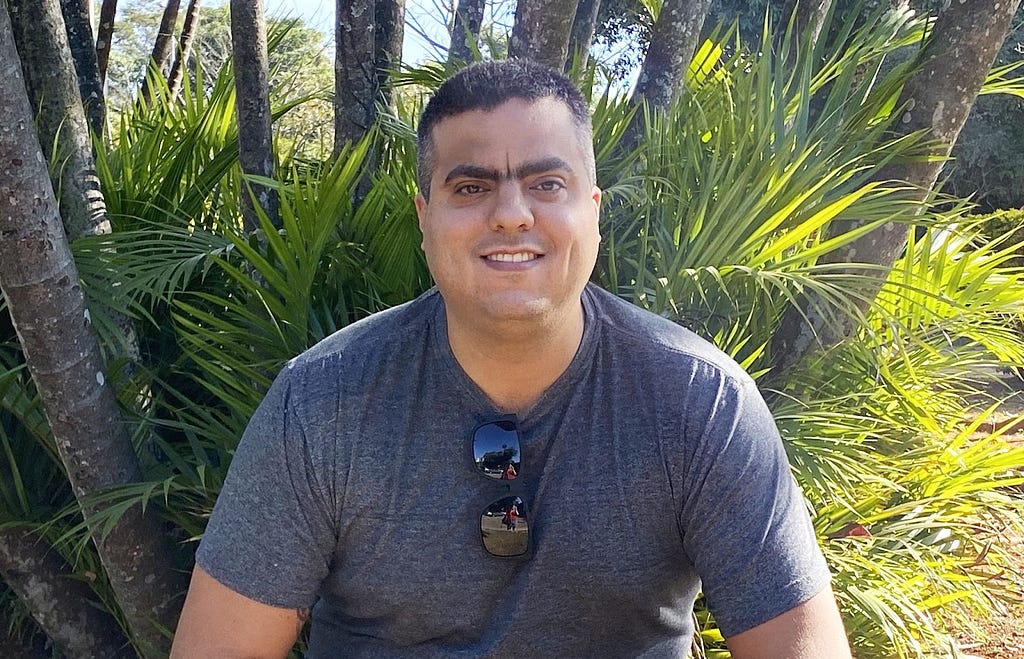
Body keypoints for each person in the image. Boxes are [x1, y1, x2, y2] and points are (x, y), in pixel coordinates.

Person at [171, 59, 851, 658]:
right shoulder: (323, 405)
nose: (511, 213)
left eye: (546, 183)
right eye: (470, 187)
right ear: (424, 216)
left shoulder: (699, 403)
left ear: (592, 210)